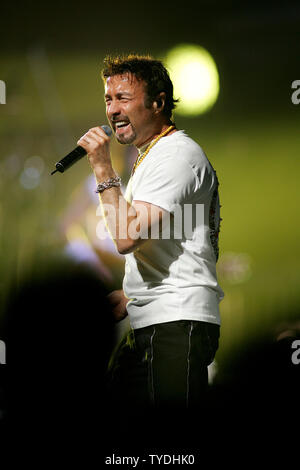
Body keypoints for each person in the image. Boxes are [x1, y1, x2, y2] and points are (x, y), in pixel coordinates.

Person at [76, 54, 224, 410]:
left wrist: (101, 167)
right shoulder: (155, 156)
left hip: (174, 323)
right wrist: (132, 294)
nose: (112, 110)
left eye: (123, 98)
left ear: (158, 102)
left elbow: (125, 237)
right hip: (157, 317)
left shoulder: (176, 156)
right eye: (108, 99)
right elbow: (179, 236)